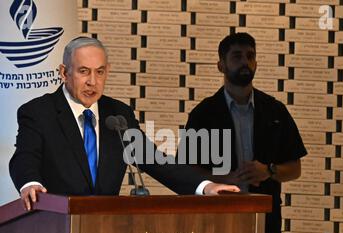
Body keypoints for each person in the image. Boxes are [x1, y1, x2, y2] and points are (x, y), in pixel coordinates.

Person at [9, 37, 239, 211]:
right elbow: (25, 157)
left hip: (107, 227)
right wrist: (30, 183)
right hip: (54, 225)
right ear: (64, 73)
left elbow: (154, 160)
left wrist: (204, 186)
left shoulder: (118, 115)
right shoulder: (39, 112)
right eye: (83, 72)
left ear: (107, 71)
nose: (92, 81)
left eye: (99, 72)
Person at [179, 33, 307, 233]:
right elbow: (186, 172)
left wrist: (268, 171)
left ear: (256, 63)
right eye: (236, 56)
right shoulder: (203, 114)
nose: (245, 62)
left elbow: (295, 168)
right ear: (221, 65)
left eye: (250, 56)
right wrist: (222, 178)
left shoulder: (275, 111)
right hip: (217, 222)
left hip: (266, 223)